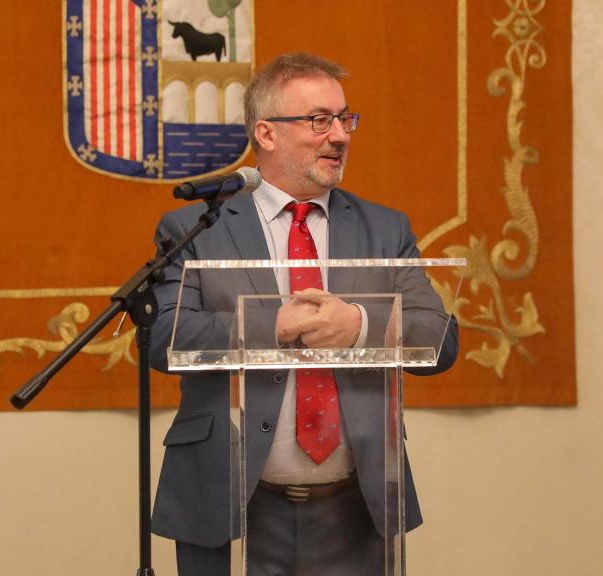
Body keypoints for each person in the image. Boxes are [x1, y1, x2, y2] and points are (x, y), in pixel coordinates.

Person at [149, 52, 457, 576]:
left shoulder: (385, 229)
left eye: (345, 119)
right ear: (267, 135)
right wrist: (276, 324)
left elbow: (439, 340)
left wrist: (358, 326)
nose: (340, 135)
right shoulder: (197, 227)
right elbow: (166, 338)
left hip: (357, 507)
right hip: (231, 505)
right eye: (320, 120)